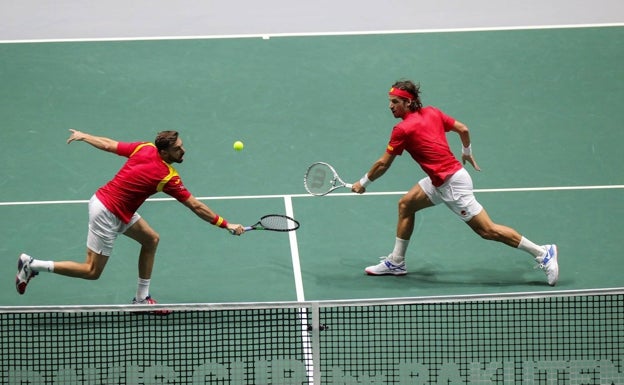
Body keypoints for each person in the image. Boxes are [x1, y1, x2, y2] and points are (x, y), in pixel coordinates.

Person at [351, 80, 558, 286]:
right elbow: (463, 129)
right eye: (390, 101)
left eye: (395, 102)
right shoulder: (432, 112)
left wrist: (363, 183)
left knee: (487, 230)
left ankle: (542, 252)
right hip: (441, 179)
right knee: (406, 204)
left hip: (451, 185)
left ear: (408, 103)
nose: (390, 106)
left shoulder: (402, 130)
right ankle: (397, 262)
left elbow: (382, 164)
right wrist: (466, 152)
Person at [15, 129, 245, 312]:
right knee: (92, 270)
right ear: (164, 153)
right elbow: (196, 206)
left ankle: (141, 299)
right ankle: (32, 265)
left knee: (151, 240)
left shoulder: (144, 148)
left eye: (181, 146)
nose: (183, 151)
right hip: (106, 212)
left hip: (118, 207)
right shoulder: (167, 177)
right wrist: (227, 224)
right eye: (177, 149)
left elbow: (108, 144)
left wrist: (85, 136)